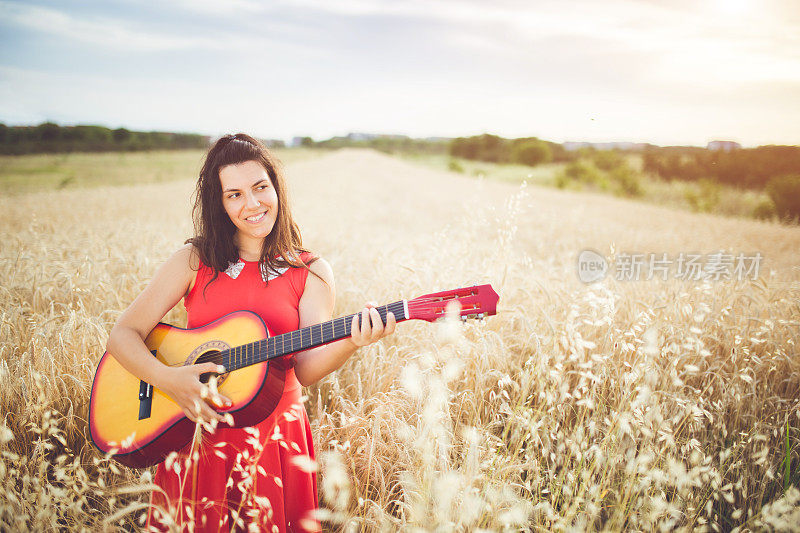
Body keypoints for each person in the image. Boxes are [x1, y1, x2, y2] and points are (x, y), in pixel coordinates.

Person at [105, 133, 396, 532]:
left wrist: (351, 340)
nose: (253, 204)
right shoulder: (194, 260)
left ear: (277, 188)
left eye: (260, 188)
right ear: (220, 204)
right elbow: (123, 334)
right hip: (198, 430)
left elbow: (307, 370)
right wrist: (169, 380)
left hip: (275, 438)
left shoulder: (311, 272)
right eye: (234, 194)